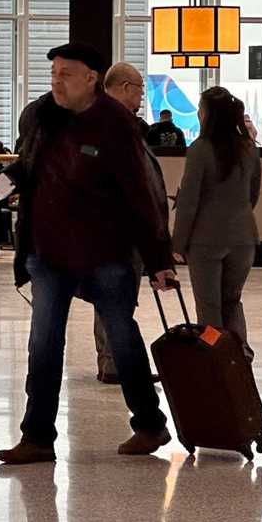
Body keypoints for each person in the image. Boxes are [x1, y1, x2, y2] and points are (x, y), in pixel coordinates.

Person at [0, 43, 176, 465]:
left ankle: (149, 423)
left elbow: (141, 194)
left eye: (66, 74)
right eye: (54, 73)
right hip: (49, 252)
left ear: (92, 78)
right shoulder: (43, 115)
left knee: (122, 337)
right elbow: (27, 165)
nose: (57, 81)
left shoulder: (116, 124)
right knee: (43, 342)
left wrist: (158, 260)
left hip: (105, 252)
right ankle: (37, 436)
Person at [172, 86, 261, 360]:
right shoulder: (248, 148)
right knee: (232, 300)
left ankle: (215, 357)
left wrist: (177, 243)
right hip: (244, 238)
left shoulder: (200, 149)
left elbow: (188, 201)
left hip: (206, 240)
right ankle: (239, 355)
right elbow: (253, 194)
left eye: (200, 109)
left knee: (209, 306)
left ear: (208, 114)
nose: (198, 114)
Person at [97, 62, 170, 384]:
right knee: (114, 297)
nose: (142, 95)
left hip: (121, 230)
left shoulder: (123, 125)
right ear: (125, 87)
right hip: (114, 231)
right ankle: (116, 362)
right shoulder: (107, 124)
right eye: (140, 88)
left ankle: (116, 360)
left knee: (119, 297)